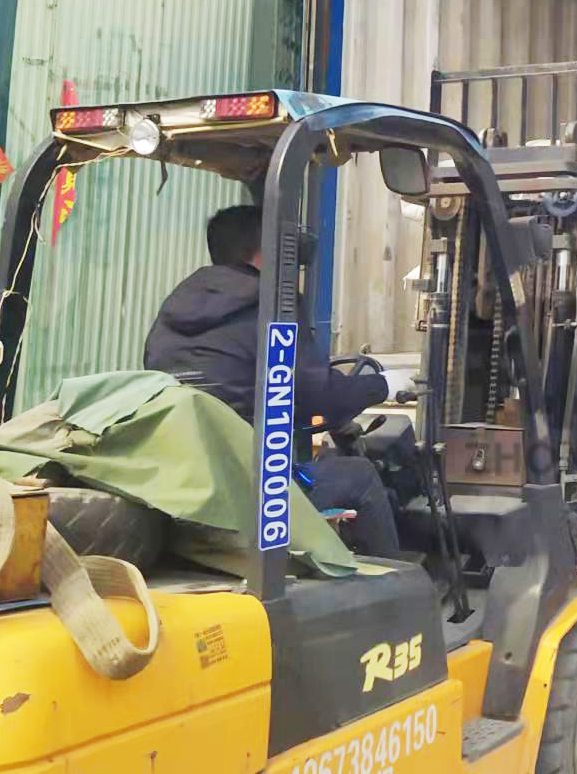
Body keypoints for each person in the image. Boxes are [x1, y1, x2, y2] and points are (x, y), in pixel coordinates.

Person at [145, 205, 400, 556]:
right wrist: (384, 385)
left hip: (183, 482)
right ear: (267, 250)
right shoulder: (273, 305)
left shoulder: (173, 311)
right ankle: (396, 585)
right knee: (360, 476)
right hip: (250, 491)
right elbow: (317, 395)